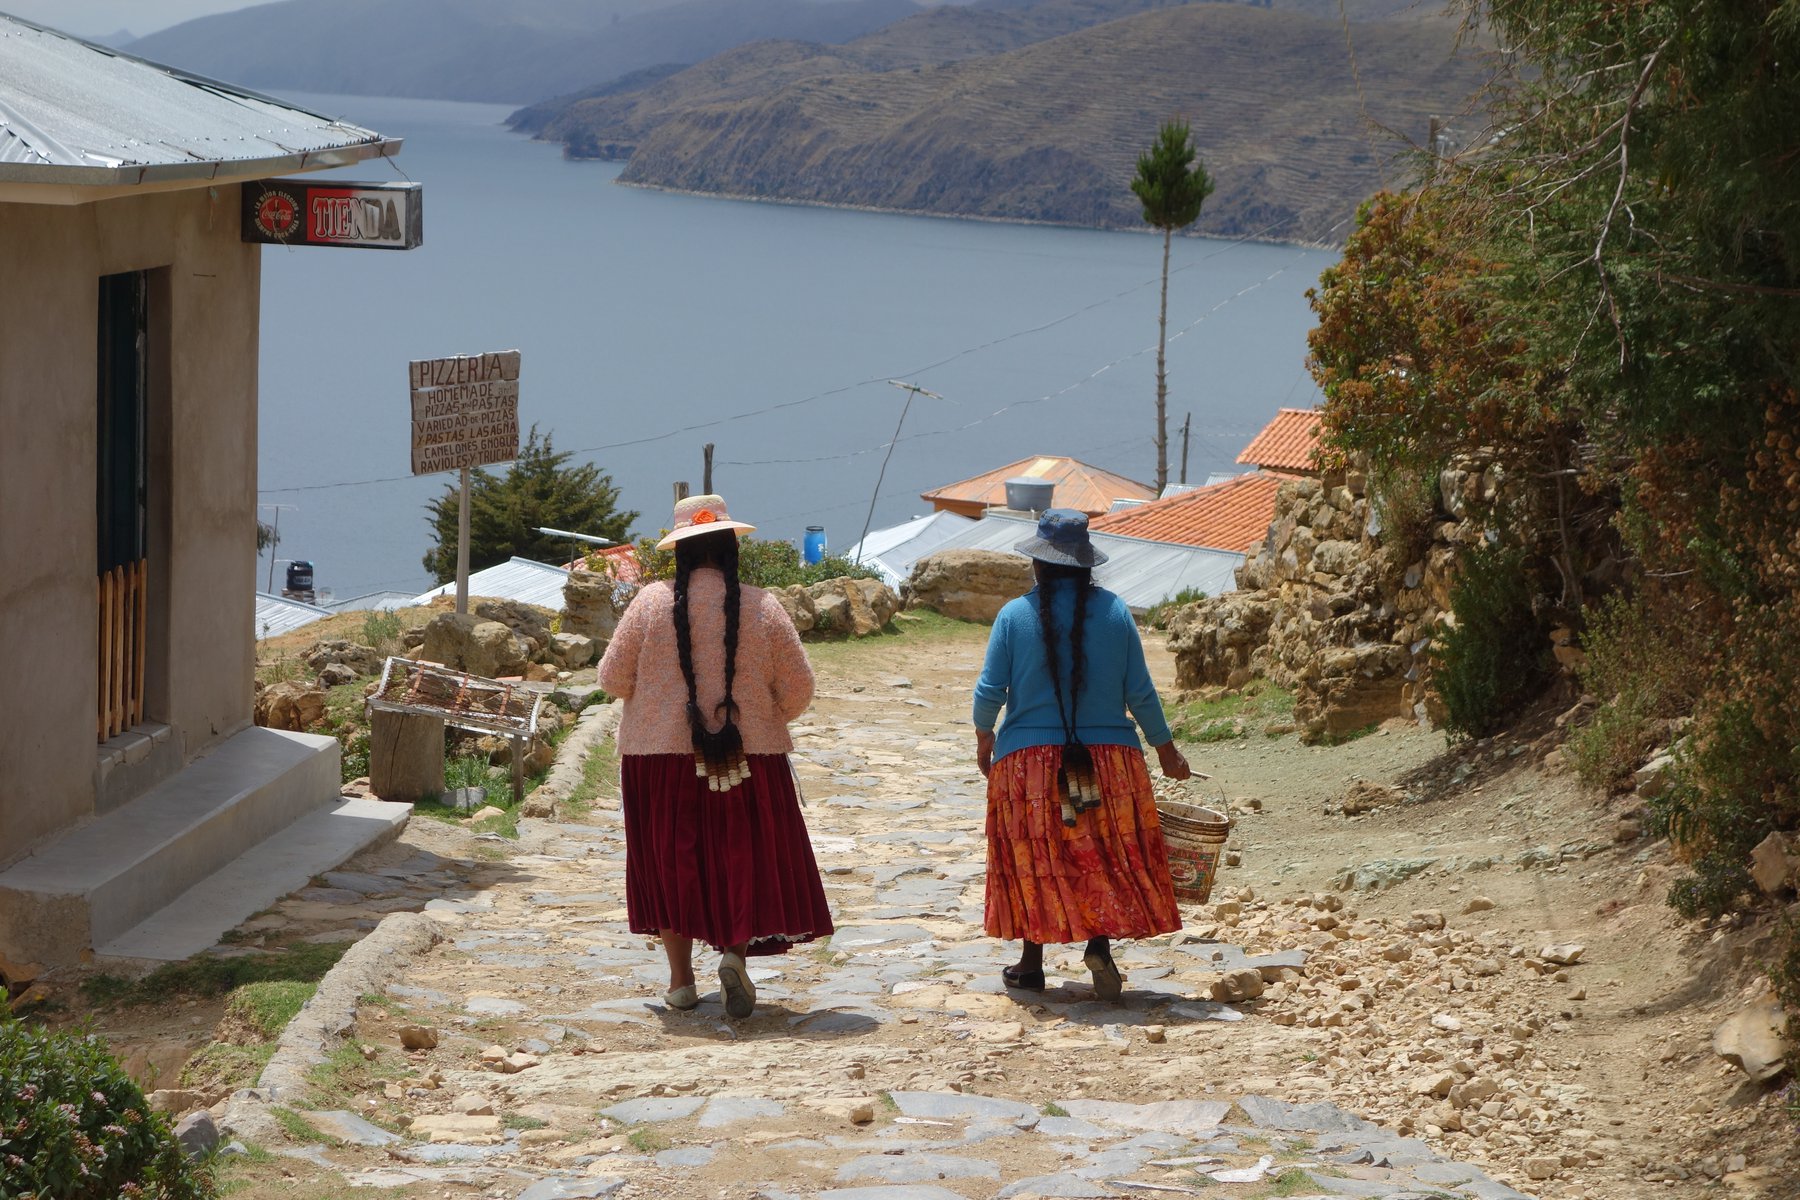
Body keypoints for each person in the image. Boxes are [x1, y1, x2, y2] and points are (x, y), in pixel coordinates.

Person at [599, 494, 833, 1017]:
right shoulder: (764, 606)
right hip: (749, 756)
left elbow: (612, 679)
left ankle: (681, 981)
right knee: (739, 853)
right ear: (730, 546)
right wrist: (760, 716)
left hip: (657, 759)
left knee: (670, 860)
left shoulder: (648, 604)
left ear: (679, 552)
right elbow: (798, 688)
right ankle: (733, 953)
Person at [973, 508, 1191, 999]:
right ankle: (1099, 946)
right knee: (1096, 853)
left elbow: (990, 691)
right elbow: (1141, 692)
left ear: (1039, 564)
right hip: (1105, 762)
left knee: (1037, 856)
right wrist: (1167, 752)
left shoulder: (1013, 616)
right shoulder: (1115, 612)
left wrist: (984, 736)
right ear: (1086, 565)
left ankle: (1031, 963)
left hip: (1029, 766)